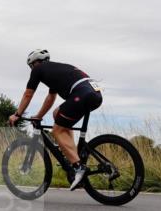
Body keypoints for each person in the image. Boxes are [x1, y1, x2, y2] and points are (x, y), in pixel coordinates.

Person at [8, 49, 103, 190]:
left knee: (56, 131)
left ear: (34, 63)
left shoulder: (38, 69)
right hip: (95, 94)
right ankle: (73, 156)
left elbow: (28, 94)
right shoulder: (55, 70)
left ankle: (78, 167)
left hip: (81, 94)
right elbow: (51, 98)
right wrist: (39, 116)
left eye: (31, 66)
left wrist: (17, 114)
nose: (31, 69)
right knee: (57, 114)